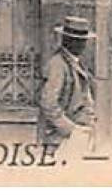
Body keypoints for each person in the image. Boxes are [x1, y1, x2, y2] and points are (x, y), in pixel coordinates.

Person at [38, 16, 97, 152]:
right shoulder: (57, 65)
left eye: (83, 40)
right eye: (77, 40)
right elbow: (48, 103)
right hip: (61, 140)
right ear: (66, 41)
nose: (82, 45)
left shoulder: (76, 63)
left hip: (78, 136)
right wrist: (71, 129)